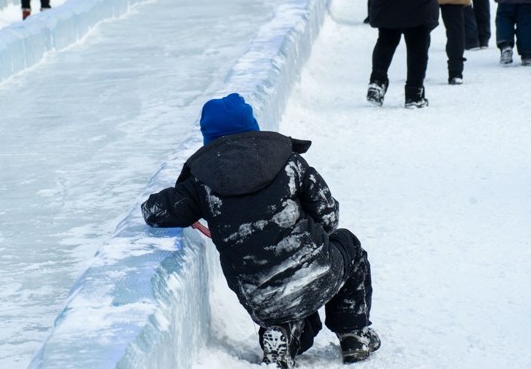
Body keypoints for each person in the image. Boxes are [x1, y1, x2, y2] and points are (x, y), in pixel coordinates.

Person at [141, 93, 379, 368]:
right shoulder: (289, 162)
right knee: (349, 245)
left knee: (287, 301)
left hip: (259, 295)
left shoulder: (201, 181)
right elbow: (329, 215)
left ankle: (281, 334)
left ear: (209, 137)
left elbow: (156, 212)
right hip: (315, 273)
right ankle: (353, 335)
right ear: (253, 127)